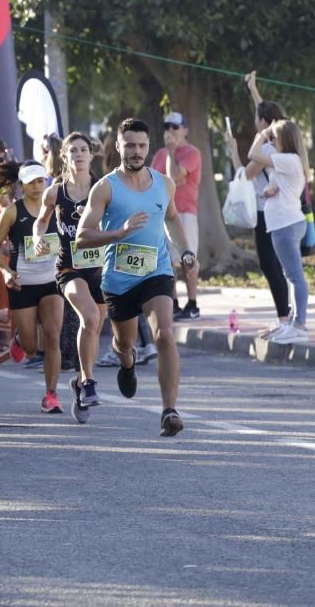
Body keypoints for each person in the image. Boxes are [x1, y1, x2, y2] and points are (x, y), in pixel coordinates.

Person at [76, 118, 191, 437]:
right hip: (119, 280)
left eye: (141, 145)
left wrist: (185, 251)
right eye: (130, 145)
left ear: (148, 146)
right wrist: (120, 232)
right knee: (124, 344)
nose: (136, 151)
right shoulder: (105, 187)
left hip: (157, 272)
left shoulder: (164, 183)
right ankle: (126, 362)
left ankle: (169, 410)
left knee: (165, 333)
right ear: (118, 147)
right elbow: (83, 237)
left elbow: (172, 218)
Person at [34, 133, 107, 423]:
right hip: (69, 268)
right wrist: (39, 238)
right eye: (73, 150)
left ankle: (78, 382)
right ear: (65, 156)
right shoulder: (55, 192)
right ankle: (89, 383)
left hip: (100, 268)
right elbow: (41, 221)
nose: (78, 154)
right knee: (89, 317)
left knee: (95, 325)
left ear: (91, 155)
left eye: (83, 150)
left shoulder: (104, 188)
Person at [0, 163, 66, 414]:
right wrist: (6, 271)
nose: (37, 186)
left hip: (52, 282)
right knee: (32, 348)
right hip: (22, 284)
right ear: (21, 185)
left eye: (41, 180)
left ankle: (51, 394)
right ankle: (21, 341)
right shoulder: (13, 211)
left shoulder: (56, 209)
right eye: (31, 182)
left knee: (53, 336)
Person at [236, 71, 292, 335]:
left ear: (264, 123)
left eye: (258, 120)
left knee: (270, 266)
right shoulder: (280, 142)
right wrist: (253, 88)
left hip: (264, 212)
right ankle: (285, 315)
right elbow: (267, 113)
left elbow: (243, 175)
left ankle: (284, 317)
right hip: (277, 212)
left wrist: (231, 147)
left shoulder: (265, 151)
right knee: (276, 265)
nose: (254, 122)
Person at [246, 120, 311, 344]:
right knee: (290, 276)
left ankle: (300, 326)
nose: (271, 141)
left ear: (284, 139)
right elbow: (283, 187)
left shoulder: (288, 159)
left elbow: (253, 155)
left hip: (286, 224)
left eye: (274, 137)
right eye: (269, 137)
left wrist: (262, 133)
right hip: (283, 224)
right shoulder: (287, 162)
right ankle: (293, 322)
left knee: (295, 276)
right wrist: (270, 189)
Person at [151, 112, 202, 320]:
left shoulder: (192, 153)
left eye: (175, 127)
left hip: (185, 212)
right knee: (167, 261)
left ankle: (193, 304)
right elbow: (153, 180)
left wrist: (172, 152)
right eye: (167, 127)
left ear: (185, 130)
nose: (170, 131)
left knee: (187, 258)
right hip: (162, 214)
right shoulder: (159, 154)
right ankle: (173, 303)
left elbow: (173, 176)